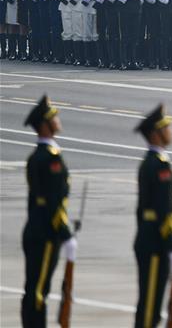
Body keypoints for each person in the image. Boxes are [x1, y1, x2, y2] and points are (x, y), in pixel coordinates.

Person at [21, 95, 77, 328]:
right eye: (54, 117)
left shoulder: (39, 156)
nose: (57, 119)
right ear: (45, 124)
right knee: (38, 290)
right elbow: (53, 202)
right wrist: (65, 232)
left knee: (36, 286)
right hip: (46, 231)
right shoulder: (49, 159)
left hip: (38, 227)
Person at [133, 104, 172, 328]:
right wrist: (171, 243)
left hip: (152, 239)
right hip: (156, 242)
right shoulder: (157, 166)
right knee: (151, 306)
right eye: (166, 127)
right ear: (156, 133)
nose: (170, 130)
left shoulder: (155, 163)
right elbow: (163, 210)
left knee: (152, 304)